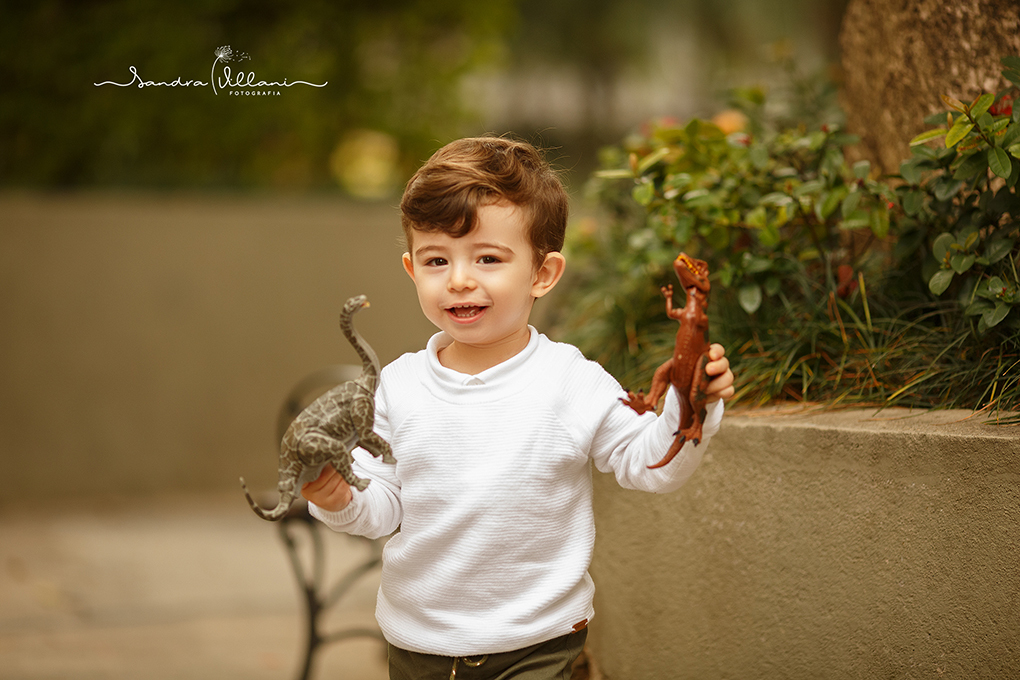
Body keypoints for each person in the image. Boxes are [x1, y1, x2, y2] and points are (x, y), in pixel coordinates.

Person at [302, 136, 735, 679]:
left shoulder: (568, 381)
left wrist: (690, 401)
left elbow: (652, 466)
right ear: (413, 270)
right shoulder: (397, 385)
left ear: (542, 274)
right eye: (438, 260)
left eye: (488, 258)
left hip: (540, 646)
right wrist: (338, 495)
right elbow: (382, 507)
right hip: (418, 650)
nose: (460, 278)